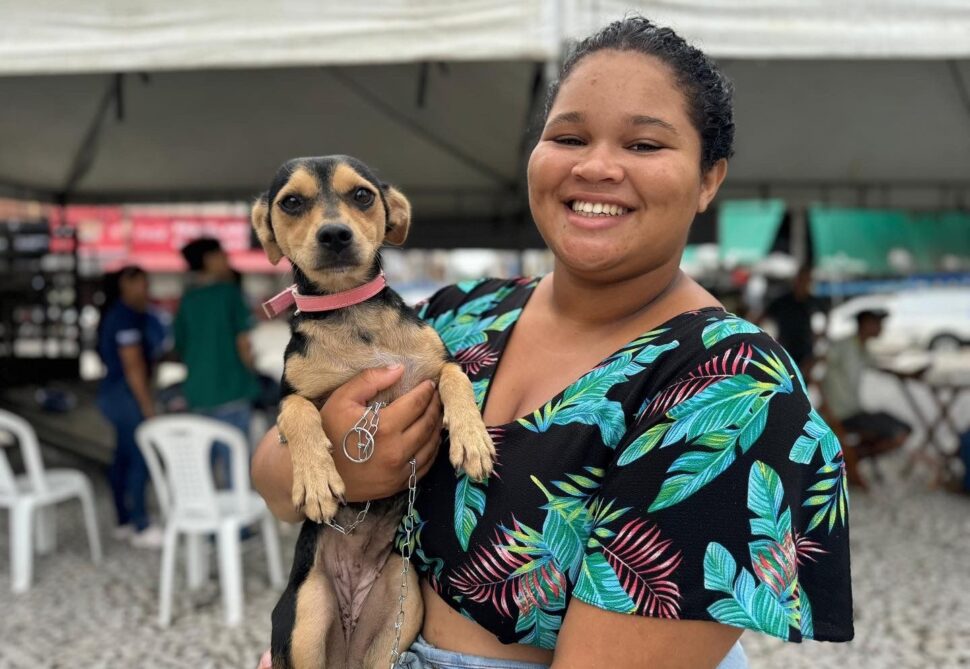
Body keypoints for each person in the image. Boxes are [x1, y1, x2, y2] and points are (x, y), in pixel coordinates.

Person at [252, 16, 854, 668]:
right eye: (568, 136)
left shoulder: (731, 383)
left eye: (645, 145)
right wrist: (342, 456)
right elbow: (273, 479)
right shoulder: (460, 314)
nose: (596, 165)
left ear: (709, 178)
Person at [174, 237, 261, 486]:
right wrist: (252, 370)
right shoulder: (230, 293)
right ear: (209, 260)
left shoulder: (187, 300)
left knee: (205, 466)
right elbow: (243, 343)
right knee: (236, 465)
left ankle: (209, 522)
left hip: (198, 395)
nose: (227, 260)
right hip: (232, 389)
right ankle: (239, 525)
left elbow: (180, 347)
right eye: (222, 255)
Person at [96, 265, 166, 549]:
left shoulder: (134, 316)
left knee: (122, 458)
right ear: (125, 285)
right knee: (139, 458)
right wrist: (148, 408)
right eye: (140, 284)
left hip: (114, 395)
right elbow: (133, 367)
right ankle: (140, 524)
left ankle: (123, 521)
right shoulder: (124, 318)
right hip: (124, 395)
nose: (146, 289)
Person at [821, 308, 911, 488]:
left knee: (904, 429)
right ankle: (847, 459)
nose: (880, 328)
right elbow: (816, 364)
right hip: (840, 413)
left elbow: (877, 365)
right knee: (899, 433)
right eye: (877, 324)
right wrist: (824, 405)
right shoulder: (842, 346)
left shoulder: (860, 347)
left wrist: (906, 374)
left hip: (853, 410)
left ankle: (848, 458)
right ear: (865, 325)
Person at [762, 264, 825, 377]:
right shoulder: (782, 301)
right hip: (784, 352)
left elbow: (823, 328)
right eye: (801, 279)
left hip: (806, 357)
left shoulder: (813, 303)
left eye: (807, 280)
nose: (804, 283)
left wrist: (816, 349)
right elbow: (762, 317)